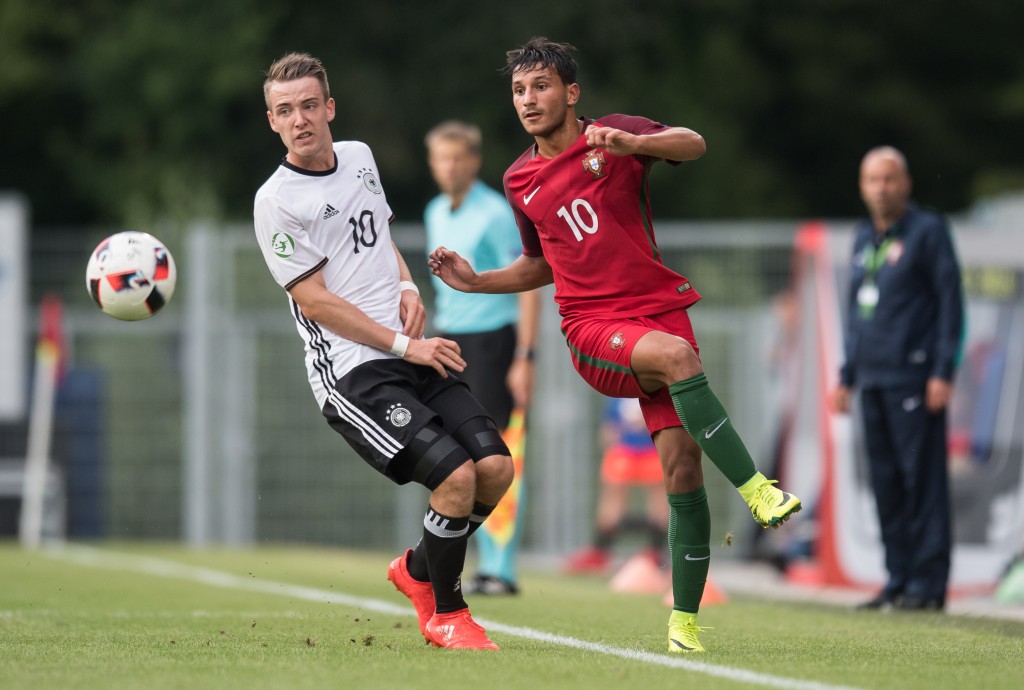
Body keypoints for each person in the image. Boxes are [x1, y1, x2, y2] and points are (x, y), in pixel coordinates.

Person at [428, 37, 801, 653]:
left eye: (541, 86)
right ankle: (758, 490)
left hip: (659, 312)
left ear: (572, 94)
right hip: (592, 328)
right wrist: (479, 281)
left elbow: (695, 143)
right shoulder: (520, 178)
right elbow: (540, 263)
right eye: (519, 90)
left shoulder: (615, 136)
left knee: (682, 469)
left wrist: (638, 144)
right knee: (679, 361)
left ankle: (684, 625)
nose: (528, 99)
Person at [253, 52, 513, 650]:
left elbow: (379, 238)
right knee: (454, 477)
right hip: (352, 374)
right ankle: (448, 613)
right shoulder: (276, 201)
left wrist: (403, 284)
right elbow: (315, 301)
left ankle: (418, 570)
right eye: (285, 110)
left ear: (330, 108)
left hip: (408, 351)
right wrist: (405, 345)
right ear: (272, 122)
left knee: (495, 471)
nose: (300, 119)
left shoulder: (362, 158)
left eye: (310, 105)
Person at [832, 146, 964, 612]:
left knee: (921, 482)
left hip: (916, 378)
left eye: (889, 179)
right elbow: (855, 313)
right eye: (872, 180)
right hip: (872, 378)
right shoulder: (863, 237)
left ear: (905, 184)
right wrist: (846, 375)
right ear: (862, 186)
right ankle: (898, 579)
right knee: (886, 483)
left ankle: (928, 587)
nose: (881, 188)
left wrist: (942, 370)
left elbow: (951, 304)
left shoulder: (928, 232)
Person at [423, 120, 541, 595]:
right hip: (451, 340)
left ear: (473, 161)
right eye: (441, 158)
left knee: (498, 453)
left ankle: (501, 568)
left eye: (457, 158)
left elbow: (529, 283)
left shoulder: (496, 212)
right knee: (456, 456)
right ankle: (456, 558)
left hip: (494, 342)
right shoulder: (435, 211)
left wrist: (525, 356)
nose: (449, 167)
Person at [563, 397, 668, 575]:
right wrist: (609, 437)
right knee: (611, 500)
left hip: (652, 448)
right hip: (623, 448)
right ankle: (600, 551)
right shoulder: (618, 388)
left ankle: (656, 552)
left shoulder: (655, 385)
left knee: (659, 501)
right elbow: (610, 424)